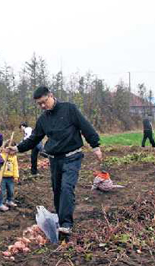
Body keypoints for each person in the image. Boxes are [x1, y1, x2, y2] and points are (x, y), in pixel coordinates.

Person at [10, 86, 102, 239]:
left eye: (44, 102)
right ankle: (61, 220)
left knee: (67, 188)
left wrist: (95, 145)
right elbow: (34, 138)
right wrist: (18, 148)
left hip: (72, 156)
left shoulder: (69, 109)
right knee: (57, 190)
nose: (43, 106)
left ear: (51, 96)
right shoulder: (43, 119)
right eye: (39, 104)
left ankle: (66, 224)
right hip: (55, 159)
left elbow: (85, 126)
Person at [0, 144, 19, 212]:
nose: (9, 151)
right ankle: (0, 204)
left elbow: (15, 167)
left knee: (11, 190)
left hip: (10, 177)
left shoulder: (14, 157)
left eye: (11, 149)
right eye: (8, 149)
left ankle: (9, 200)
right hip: (2, 177)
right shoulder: (1, 155)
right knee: (2, 191)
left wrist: (16, 176)